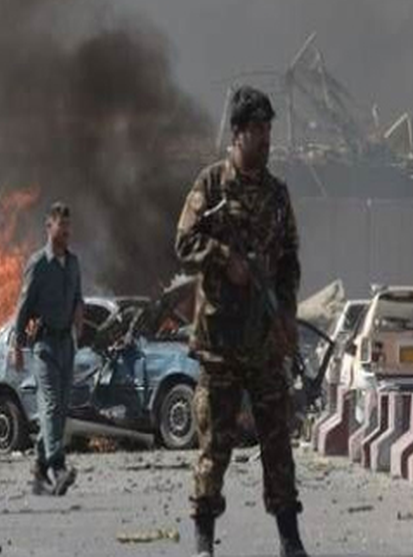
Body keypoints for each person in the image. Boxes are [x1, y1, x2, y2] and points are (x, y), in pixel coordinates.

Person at [176, 86, 307, 557]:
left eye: (268, 129)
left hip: (264, 341)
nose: (265, 138)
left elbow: (289, 260)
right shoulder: (211, 185)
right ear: (237, 133)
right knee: (215, 446)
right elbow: (183, 242)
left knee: (278, 444)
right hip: (219, 343)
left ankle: (290, 540)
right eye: (257, 129)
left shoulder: (277, 195)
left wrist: (287, 313)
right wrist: (223, 259)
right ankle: (204, 540)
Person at [11, 202, 84, 496]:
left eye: (69, 225)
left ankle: (40, 472)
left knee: (60, 409)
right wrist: (16, 345)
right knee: (51, 404)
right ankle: (58, 467)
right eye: (61, 225)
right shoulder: (38, 264)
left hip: (67, 344)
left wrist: (79, 318)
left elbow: (78, 297)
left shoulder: (73, 263)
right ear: (49, 226)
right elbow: (23, 306)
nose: (66, 231)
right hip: (44, 345)